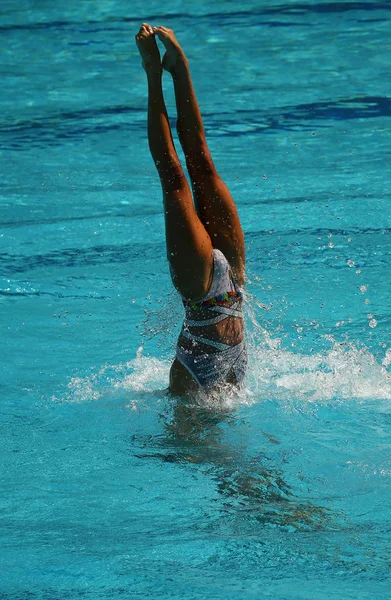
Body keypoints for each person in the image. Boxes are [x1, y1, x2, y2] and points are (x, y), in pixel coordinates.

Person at [136, 24, 246, 396]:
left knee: (177, 177)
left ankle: (157, 72)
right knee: (200, 165)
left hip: (200, 293)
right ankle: (175, 69)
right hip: (233, 284)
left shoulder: (186, 399)